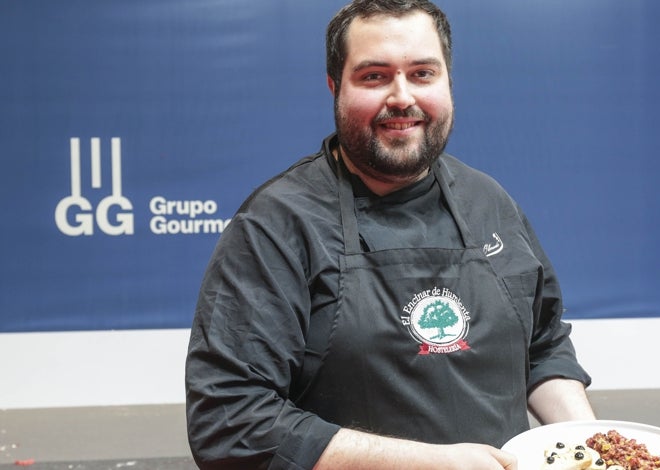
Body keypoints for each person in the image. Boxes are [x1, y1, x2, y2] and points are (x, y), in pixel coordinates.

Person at [185, 1, 596, 468]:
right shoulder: (277, 225)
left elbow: (542, 347)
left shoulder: (489, 202)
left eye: (422, 74)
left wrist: (591, 446)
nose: (402, 97)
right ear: (334, 87)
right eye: (374, 76)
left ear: (447, 82)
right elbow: (230, 422)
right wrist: (432, 463)